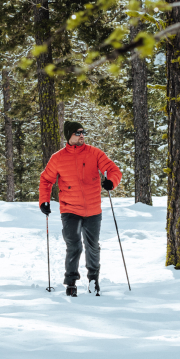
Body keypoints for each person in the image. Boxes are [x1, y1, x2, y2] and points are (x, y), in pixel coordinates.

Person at [39, 121, 122, 297]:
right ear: (69, 136)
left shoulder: (94, 153)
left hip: (93, 209)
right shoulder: (58, 158)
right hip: (70, 209)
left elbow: (113, 170)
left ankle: (93, 281)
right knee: (74, 245)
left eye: (83, 132)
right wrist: (44, 201)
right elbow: (46, 180)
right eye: (77, 133)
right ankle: (71, 283)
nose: (82, 135)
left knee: (92, 246)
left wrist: (111, 182)